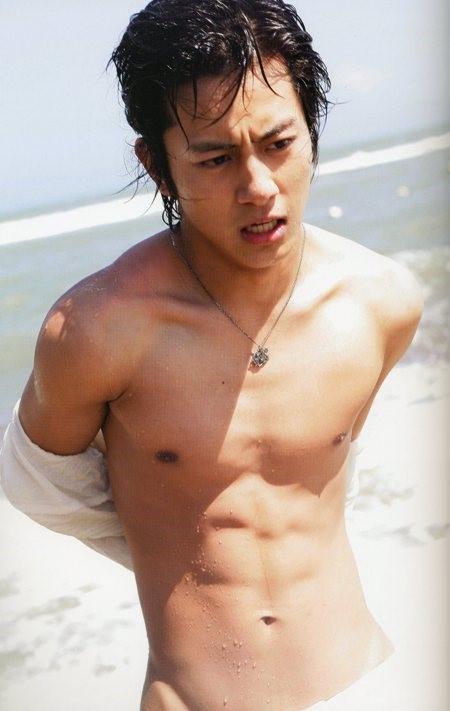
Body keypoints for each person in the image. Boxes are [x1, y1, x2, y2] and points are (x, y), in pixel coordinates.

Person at [0, 1, 424, 709]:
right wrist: (173, 536)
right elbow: (41, 489)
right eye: (217, 158)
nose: (259, 187)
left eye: (279, 143)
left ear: (311, 129)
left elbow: (317, 480)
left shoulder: (381, 303)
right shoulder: (97, 330)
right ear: (158, 165)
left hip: (369, 685)